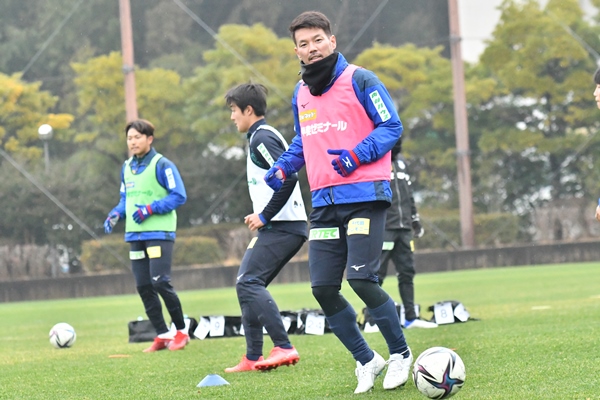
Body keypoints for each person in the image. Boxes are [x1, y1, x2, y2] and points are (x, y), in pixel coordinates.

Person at [264, 11, 413, 394]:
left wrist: (357, 155)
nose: (311, 48)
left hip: (365, 197)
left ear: (332, 40)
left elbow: (392, 126)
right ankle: (367, 360)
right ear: (296, 51)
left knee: (361, 279)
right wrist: (283, 167)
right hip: (325, 204)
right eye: (303, 44)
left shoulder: (361, 79)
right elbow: (303, 140)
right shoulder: (300, 92)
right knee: (324, 289)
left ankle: (400, 353)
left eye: (317, 40)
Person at [223, 83, 308, 372]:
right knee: (246, 283)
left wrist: (265, 215)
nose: (232, 117)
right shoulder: (259, 137)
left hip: (284, 226)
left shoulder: (262, 137)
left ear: (248, 110)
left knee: (248, 282)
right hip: (280, 225)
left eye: (234, 110)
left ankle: (283, 346)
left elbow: (288, 177)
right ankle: (253, 357)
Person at [104, 119, 190, 353]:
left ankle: (181, 331)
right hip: (135, 235)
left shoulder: (163, 165)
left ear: (149, 139)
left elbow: (179, 195)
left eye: (137, 137)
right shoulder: (126, 167)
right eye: (129, 138)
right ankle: (162, 334)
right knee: (143, 285)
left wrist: (151, 209)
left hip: (159, 233)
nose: (133, 142)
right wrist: (115, 214)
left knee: (160, 282)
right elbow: (125, 199)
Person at [377, 139, 438, 329]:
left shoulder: (402, 162)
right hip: (385, 228)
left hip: (404, 230)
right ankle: (372, 320)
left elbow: (409, 194)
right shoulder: (376, 161)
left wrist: (415, 219)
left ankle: (411, 318)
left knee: (407, 272)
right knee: (376, 275)